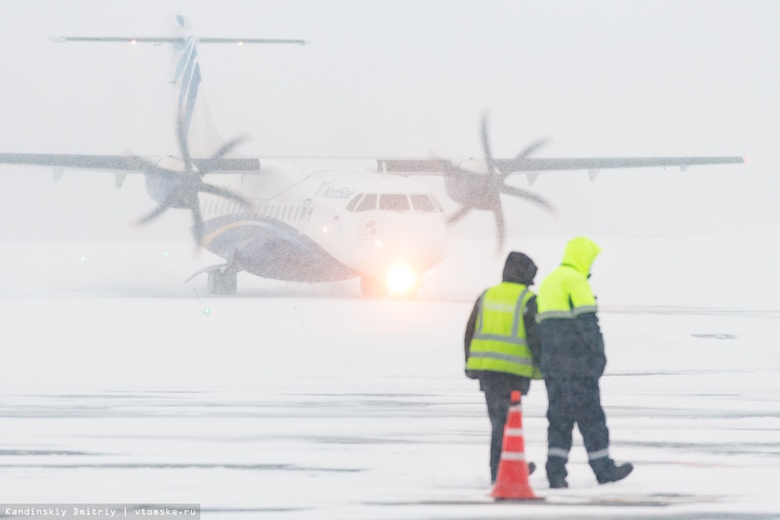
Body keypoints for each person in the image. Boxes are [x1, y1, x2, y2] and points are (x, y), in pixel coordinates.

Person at [535, 237, 633, 489]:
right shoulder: (576, 282)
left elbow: (539, 331)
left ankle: (555, 472)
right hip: (578, 367)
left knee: (559, 420)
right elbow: (588, 324)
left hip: (554, 368)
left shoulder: (548, 282)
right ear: (583, 258)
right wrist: (598, 358)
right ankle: (603, 469)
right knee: (592, 419)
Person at [464, 251, 542, 484]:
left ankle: (509, 464)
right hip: (514, 373)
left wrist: (469, 364)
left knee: (500, 422)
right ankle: (500, 471)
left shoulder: (487, 295)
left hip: (487, 372)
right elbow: (536, 339)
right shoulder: (527, 299)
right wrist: (542, 369)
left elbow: (469, 330)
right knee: (504, 423)